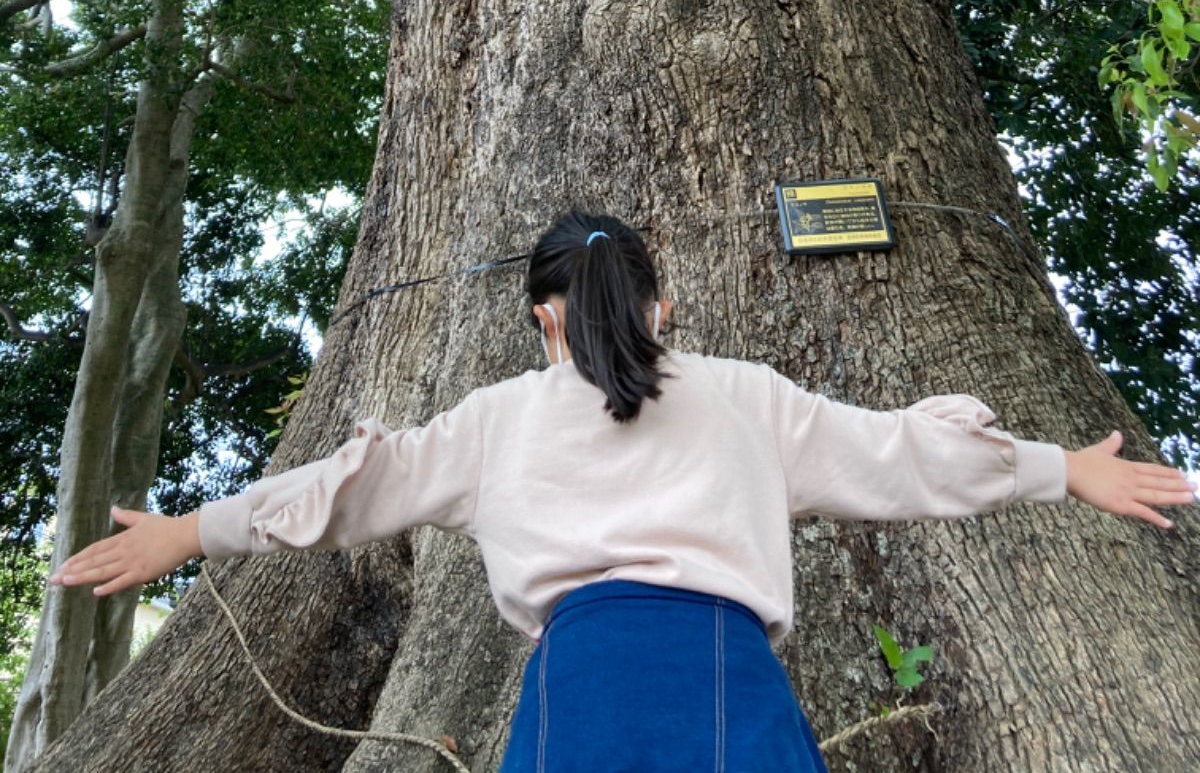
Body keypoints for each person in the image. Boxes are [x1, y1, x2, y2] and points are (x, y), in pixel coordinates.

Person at [51, 210, 1197, 771]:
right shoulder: (745, 395)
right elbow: (909, 457)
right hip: (727, 669)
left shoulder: (494, 421)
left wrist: (194, 529)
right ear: (660, 308)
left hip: (580, 686)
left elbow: (351, 486)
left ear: (541, 314)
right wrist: (1065, 469)